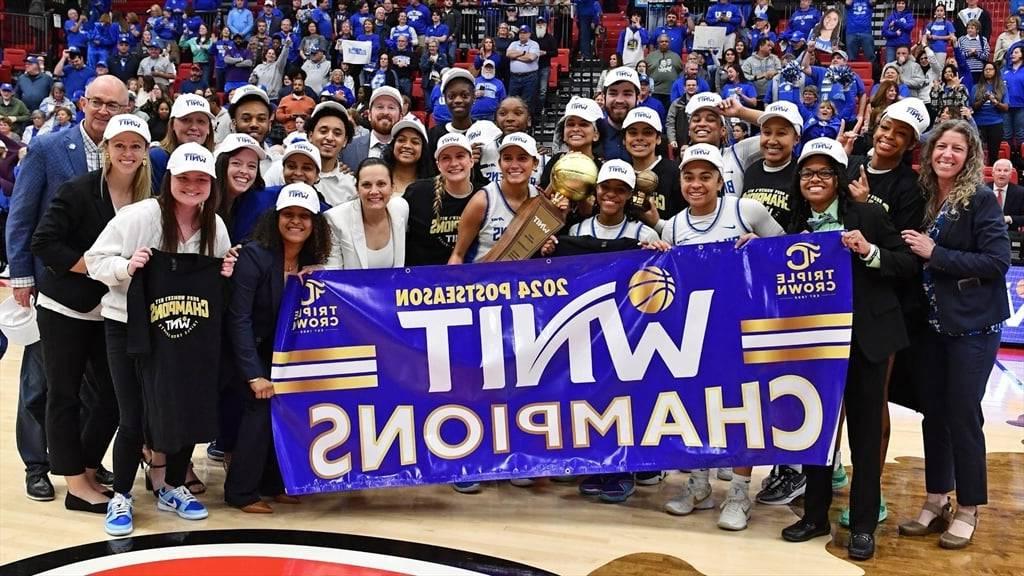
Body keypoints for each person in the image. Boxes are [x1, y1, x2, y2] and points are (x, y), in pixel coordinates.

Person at [85, 143, 236, 536]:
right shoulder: (138, 216)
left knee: (182, 408)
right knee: (132, 415)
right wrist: (125, 267)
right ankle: (121, 495)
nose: (192, 185)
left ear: (211, 184)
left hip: (185, 330)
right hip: (128, 326)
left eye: (201, 179)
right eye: (184, 178)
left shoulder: (215, 226)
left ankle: (171, 486)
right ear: (169, 180)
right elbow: (95, 261)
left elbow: (216, 281)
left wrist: (225, 272)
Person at [781, 137, 917, 562]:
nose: (814, 180)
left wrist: (869, 250)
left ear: (839, 179)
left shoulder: (868, 215)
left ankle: (862, 525)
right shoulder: (794, 224)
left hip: (866, 342)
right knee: (817, 432)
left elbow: (907, 264)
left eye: (823, 173)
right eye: (807, 173)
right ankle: (815, 515)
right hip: (816, 344)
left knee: (862, 434)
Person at [5, 75, 129, 502]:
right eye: (98, 102)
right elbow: (22, 216)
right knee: (43, 383)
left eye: (114, 105)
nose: (104, 111)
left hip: (105, 296)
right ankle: (37, 465)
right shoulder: (48, 148)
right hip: (54, 288)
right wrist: (21, 276)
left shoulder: (130, 157)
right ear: (82, 102)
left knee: (98, 388)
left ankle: (78, 462)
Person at [28, 114, 150, 514]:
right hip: (66, 305)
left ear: (146, 152)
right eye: (120, 146)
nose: (127, 153)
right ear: (106, 149)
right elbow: (44, 242)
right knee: (63, 394)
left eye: (135, 146)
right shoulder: (78, 190)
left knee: (114, 396)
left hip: (112, 311)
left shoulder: (151, 198)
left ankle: (86, 463)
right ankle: (77, 485)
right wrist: (97, 266)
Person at [897, 120, 1010, 550]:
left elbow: (997, 262)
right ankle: (936, 498)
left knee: (963, 414)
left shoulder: (980, 199)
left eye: (956, 149)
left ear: (970, 156)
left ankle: (969, 507)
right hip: (930, 326)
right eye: (940, 146)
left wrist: (936, 254)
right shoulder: (924, 198)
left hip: (973, 327)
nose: (946, 154)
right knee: (935, 414)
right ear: (929, 153)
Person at [225, 182, 330, 513]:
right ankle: (240, 492)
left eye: (304, 216)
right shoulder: (253, 256)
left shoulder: (311, 261)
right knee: (257, 415)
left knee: (282, 415)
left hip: (281, 354)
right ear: (275, 218)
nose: (295, 221)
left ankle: (273, 484)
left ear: (315, 223)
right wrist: (254, 375)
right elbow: (238, 319)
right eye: (288, 215)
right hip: (245, 353)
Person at [448, 132, 540, 266]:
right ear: (499, 163)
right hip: (482, 282)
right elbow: (458, 254)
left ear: (535, 163)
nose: (514, 165)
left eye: (522, 158)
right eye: (508, 158)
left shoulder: (538, 197)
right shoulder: (483, 200)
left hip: (522, 282)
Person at [403, 133, 477, 266]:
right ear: (438, 165)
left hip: (472, 282)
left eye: (460, 156)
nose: (454, 163)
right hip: (423, 281)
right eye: (446, 158)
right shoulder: (417, 193)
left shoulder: (485, 195)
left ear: (471, 160)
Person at [324, 158, 409, 269]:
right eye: (366, 185)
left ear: (392, 187)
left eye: (381, 184)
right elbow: (333, 272)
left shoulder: (401, 208)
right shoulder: (335, 219)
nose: (374, 191)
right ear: (357, 189)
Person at [149, 93, 215, 192]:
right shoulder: (157, 157)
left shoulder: (213, 161)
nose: (194, 127)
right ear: (172, 125)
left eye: (201, 121)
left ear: (209, 129)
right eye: (186, 120)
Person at [213, 133, 267, 242]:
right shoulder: (202, 200)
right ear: (221, 164)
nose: (244, 171)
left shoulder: (254, 204)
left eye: (251, 166)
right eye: (236, 163)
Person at [342, 86, 403, 169]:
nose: (385, 112)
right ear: (369, 115)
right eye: (380, 107)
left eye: (391, 108)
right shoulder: (347, 148)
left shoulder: (408, 153)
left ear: (401, 117)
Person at [383, 119, 432, 197]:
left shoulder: (432, 186)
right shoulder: (379, 177)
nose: (407, 146)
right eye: (401, 140)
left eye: (415, 142)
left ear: (423, 149)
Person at [973, 63, 1009, 166]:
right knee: (977, 154)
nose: (988, 71)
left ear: (995, 71)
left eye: (990, 69)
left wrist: (996, 102)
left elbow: (1006, 107)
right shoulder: (976, 87)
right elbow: (973, 107)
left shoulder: (1002, 87)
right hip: (979, 124)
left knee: (994, 154)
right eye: (985, 69)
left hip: (995, 123)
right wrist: (984, 99)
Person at [506, 25, 541, 114]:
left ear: (529, 34)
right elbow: (508, 54)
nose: (522, 35)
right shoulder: (513, 44)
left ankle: (527, 122)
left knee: (527, 101)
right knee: (512, 100)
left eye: (525, 33)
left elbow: (531, 58)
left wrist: (515, 57)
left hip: (529, 77)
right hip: (514, 77)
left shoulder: (534, 44)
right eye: (521, 33)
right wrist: (523, 53)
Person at [882, 0, 915, 64]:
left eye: (903, 3)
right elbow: (884, 32)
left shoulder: (909, 16)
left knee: (903, 65)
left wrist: (896, 22)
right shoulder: (890, 17)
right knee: (890, 65)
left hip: (904, 45)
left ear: (905, 5)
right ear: (896, 5)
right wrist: (895, 34)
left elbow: (909, 27)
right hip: (891, 45)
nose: (900, 5)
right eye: (899, 3)